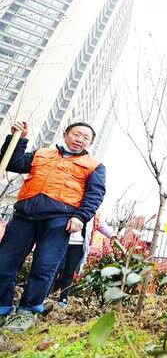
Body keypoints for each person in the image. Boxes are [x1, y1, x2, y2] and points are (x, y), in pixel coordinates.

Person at [0, 122, 106, 333]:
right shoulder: (41, 154)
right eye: (76, 134)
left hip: (60, 220)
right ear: (65, 134)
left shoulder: (94, 166)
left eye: (86, 138)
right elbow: (13, 163)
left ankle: (27, 311)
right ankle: (2, 306)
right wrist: (17, 140)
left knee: (45, 267)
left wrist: (80, 217)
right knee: (5, 262)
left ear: (90, 143)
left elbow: (95, 195)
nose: (80, 139)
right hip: (25, 214)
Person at [50, 212, 116, 308]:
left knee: (69, 272)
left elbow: (99, 224)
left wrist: (112, 234)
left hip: (78, 245)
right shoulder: (71, 203)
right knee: (57, 268)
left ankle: (63, 298)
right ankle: (45, 294)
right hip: (62, 241)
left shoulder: (90, 210)